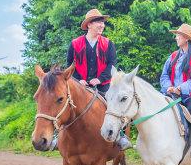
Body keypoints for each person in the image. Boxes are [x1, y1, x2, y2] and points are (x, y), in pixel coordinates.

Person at [50, 9, 131, 151]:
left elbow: (112, 65)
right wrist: (77, 79)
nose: (102, 25)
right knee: (64, 104)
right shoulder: (75, 44)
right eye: (98, 22)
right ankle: (57, 136)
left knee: (114, 105)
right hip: (79, 85)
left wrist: (99, 79)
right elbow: (70, 66)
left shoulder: (108, 44)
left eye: (102, 22)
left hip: (102, 85)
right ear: (89, 25)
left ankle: (122, 135)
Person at [160, 23, 191, 162]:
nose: (176, 38)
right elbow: (164, 76)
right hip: (172, 93)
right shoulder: (173, 56)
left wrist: (180, 88)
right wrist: (168, 87)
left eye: (178, 35)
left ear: (186, 38)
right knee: (159, 109)